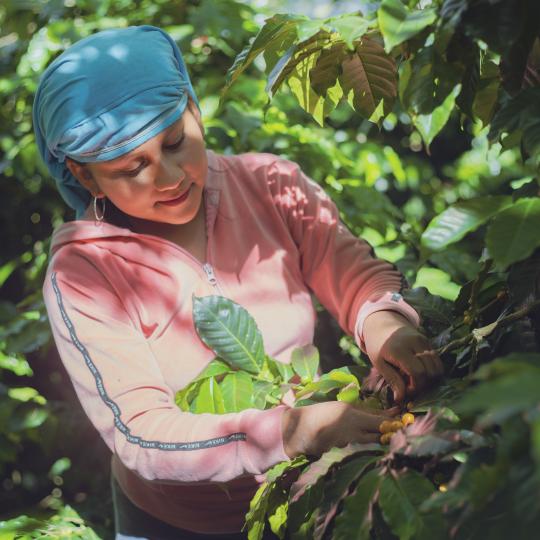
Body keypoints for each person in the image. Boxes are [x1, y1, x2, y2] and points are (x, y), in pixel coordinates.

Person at [33, 25, 444, 540]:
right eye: (132, 167)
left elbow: (353, 275)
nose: (170, 177)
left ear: (195, 108)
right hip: (175, 524)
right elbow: (139, 433)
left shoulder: (272, 187)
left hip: (306, 492)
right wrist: (289, 432)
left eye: (177, 142)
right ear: (86, 176)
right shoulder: (84, 274)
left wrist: (388, 329)